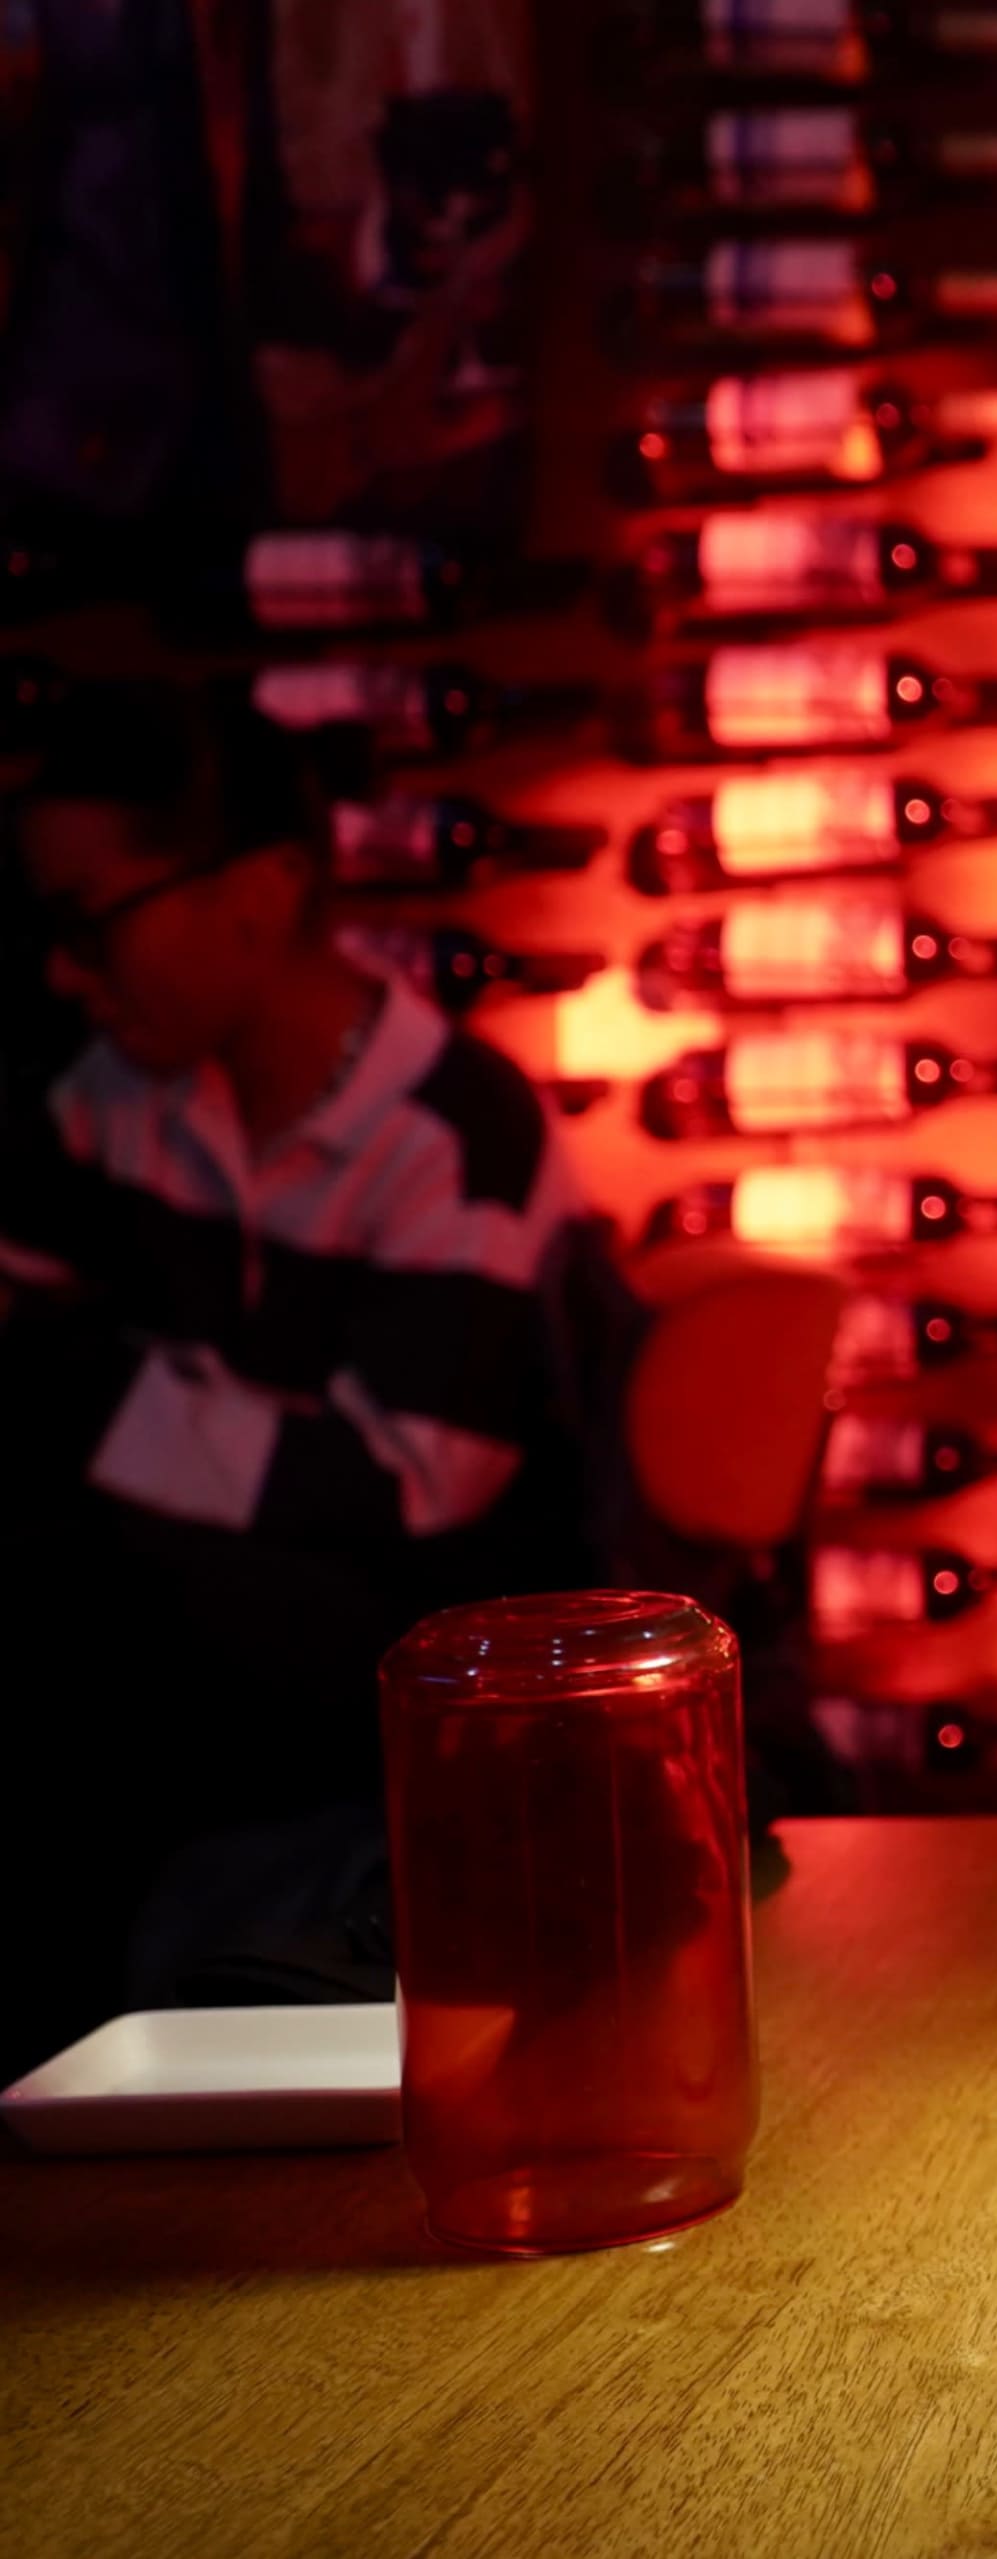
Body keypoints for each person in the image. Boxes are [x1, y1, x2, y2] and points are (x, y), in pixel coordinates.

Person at [0, 682, 600, 2074]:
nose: (61, 971)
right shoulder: (116, 1095)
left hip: (394, 1679)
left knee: (67, 1602)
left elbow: (401, 1496)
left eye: (91, 920)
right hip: (185, 1664)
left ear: (261, 893)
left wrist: (97, 1403)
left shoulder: (456, 1132)